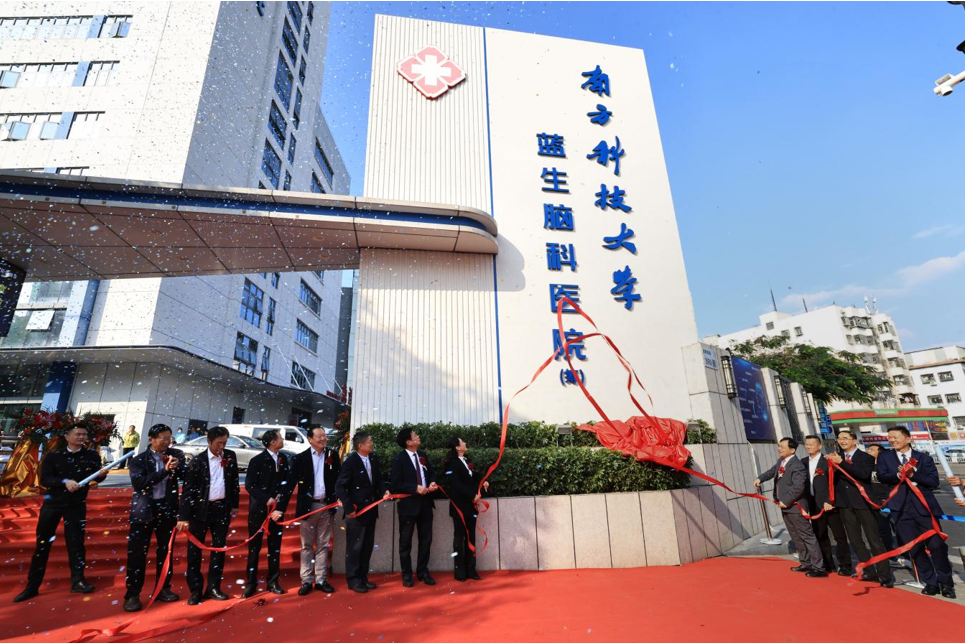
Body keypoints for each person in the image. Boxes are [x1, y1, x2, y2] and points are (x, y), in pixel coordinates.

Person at [13, 424, 108, 602]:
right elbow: (45, 479)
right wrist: (64, 481)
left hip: (76, 505)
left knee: (76, 543)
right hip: (53, 504)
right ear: (67, 436)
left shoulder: (91, 456)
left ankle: (78, 581)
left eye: (84, 434)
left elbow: (97, 477)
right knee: (42, 544)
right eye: (78, 434)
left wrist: (102, 475)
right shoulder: (54, 456)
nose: (81, 437)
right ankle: (32, 585)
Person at [877, 426, 956, 598]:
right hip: (900, 509)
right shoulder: (885, 457)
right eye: (889, 437)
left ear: (908, 439)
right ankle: (930, 582)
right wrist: (898, 476)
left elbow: (933, 482)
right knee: (914, 547)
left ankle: (946, 583)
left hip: (924, 508)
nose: (892, 440)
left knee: (937, 546)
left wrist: (913, 475)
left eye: (895, 437)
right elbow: (882, 476)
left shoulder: (924, 458)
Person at [123, 424, 185, 612]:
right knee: (137, 554)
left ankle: (163, 588)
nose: (166, 442)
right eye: (162, 438)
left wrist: (179, 467)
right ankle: (132, 594)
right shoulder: (139, 460)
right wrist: (164, 471)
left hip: (167, 509)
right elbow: (139, 483)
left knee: (166, 551)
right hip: (144, 511)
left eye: (169, 438)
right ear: (151, 439)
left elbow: (185, 475)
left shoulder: (175, 455)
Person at [177, 426, 240, 605]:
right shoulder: (198, 461)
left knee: (219, 549)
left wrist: (234, 503)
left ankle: (214, 587)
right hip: (200, 510)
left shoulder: (230, 456)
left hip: (222, 509)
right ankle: (195, 590)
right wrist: (183, 517)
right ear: (209, 441)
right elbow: (188, 490)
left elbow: (234, 481)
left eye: (225, 443)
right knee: (194, 551)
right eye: (219, 443)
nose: (222, 447)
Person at [826, 429, 894, 587]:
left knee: (874, 540)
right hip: (845, 505)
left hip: (864, 503)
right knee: (856, 540)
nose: (842, 441)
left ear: (854, 441)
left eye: (845, 438)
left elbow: (863, 475)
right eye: (839, 438)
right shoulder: (836, 456)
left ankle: (885, 575)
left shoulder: (865, 457)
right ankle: (869, 572)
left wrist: (841, 463)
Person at [754, 437, 825, 577]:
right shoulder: (781, 461)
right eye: (779, 446)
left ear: (792, 450)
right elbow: (772, 471)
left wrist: (786, 500)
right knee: (795, 536)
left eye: (782, 447)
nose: (779, 449)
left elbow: (798, 487)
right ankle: (805, 563)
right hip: (785, 506)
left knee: (807, 536)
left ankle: (819, 567)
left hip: (796, 507)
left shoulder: (797, 465)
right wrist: (760, 478)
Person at [334, 430, 390, 593]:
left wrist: (384, 491)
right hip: (357, 511)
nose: (372, 444)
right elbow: (340, 486)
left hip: (371, 509)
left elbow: (378, 479)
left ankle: (363, 577)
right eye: (369, 441)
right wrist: (349, 507)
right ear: (360, 445)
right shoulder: (351, 462)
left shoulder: (373, 458)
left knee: (367, 546)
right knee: (355, 547)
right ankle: (353, 579)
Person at [290, 425, 341, 595]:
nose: (323, 439)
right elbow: (290, 484)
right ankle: (306, 580)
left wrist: (340, 497)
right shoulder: (300, 459)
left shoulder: (332, 455)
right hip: (308, 507)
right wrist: (280, 508)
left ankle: (320, 579)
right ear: (310, 439)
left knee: (323, 544)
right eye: (319, 436)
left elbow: (338, 479)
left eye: (324, 435)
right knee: (306, 545)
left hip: (327, 505)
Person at [243, 429, 292, 598]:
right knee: (254, 548)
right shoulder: (257, 460)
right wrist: (266, 499)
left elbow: (286, 482)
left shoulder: (283, 459)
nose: (282, 440)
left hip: (276, 511)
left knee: (275, 547)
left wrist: (280, 499)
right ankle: (251, 583)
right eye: (280, 438)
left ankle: (273, 581)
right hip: (259, 509)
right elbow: (250, 485)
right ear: (272, 442)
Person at [391, 428, 439, 587]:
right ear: (408, 442)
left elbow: (431, 473)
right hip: (408, 506)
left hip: (425, 504)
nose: (418, 436)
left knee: (426, 539)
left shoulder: (422, 455)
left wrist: (432, 482)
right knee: (405, 541)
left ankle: (423, 571)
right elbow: (395, 484)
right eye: (415, 436)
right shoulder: (399, 459)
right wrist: (414, 488)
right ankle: (406, 574)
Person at [800, 435, 850, 575]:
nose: (808, 446)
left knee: (839, 536)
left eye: (812, 444)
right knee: (820, 535)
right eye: (807, 444)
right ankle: (827, 565)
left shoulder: (828, 461)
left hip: (830, 504)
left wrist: (829, 500)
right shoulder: (803, 462)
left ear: (819, 446)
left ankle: (845, 565)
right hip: (813, 504)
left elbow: (835, 483)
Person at [443, 437, 489, 581]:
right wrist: (472, 495)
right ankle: (460, 572)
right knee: (459, 538)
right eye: (462, 442)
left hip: (471, 506)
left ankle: (471, 569)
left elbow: (474, 476)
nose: (465, 443)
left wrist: (483, 481)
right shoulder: (452, 463)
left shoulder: (466, 461)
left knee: (471, 537)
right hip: (459, 506)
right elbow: (456, 484)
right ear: (457, 447)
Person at [865, 444, 899, 562]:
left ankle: (906, 553)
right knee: (883, 530)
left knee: (898, 528)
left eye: (871, 449)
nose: (868, 451)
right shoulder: (867, 466)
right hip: (875, 502)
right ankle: (890, 555)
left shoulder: (886, 466)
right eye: (868, 449)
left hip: (890, 500)